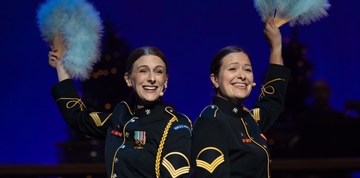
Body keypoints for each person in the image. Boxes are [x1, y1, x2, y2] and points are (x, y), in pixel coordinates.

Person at [48, 38, 192, 178]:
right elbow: (78, 117)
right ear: (128, 79)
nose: (152, 78)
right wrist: (62, 66)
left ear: (165, 81)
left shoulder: (176, 125)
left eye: (158, 71)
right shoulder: (121, 116)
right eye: (143, 71)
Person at [191, 18, 290, 178]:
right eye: (232, 69)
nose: (242, 76)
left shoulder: (248, 120)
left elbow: (272, 99)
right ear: (215, 79)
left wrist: (276, 47)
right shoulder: (212, 120)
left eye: (247, 70)